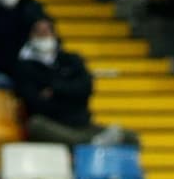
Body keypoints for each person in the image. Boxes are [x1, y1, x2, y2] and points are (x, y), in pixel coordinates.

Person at [12, 16, 138, 147]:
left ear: (55, 34)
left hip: (81, 125)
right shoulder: (24, 67)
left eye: (47, 31)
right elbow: (35, 103)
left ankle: (89, 142)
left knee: (130, 137)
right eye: (39, 32)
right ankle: (90, 143)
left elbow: (86, 88)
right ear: (30, 36)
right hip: (52, 124)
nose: (44, 35)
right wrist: (70, 95)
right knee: (35, 125)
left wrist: (55, 90)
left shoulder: (72, 60)